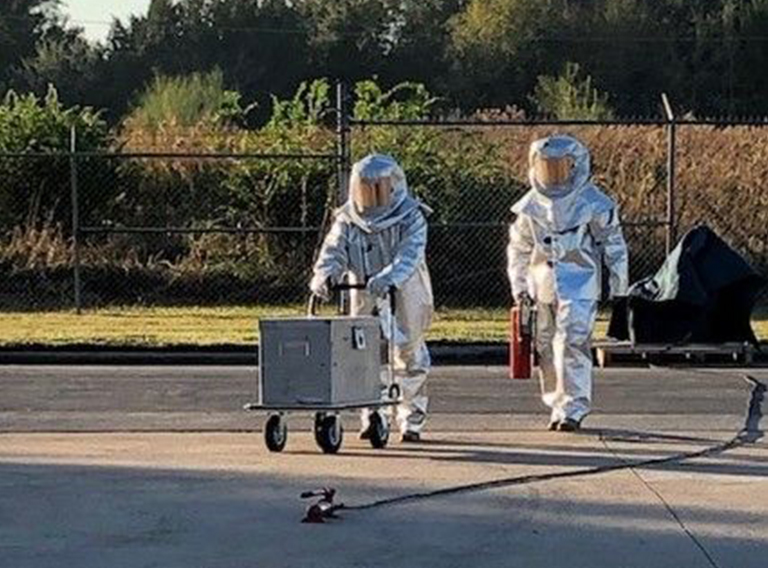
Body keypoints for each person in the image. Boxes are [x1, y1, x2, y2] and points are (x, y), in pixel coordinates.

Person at [507, 135, 629, 432]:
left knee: (573, 341)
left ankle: (574, 408)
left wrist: (620, 289)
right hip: (542, 284)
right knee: (546, 345)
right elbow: (519, 247)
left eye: (560, 167)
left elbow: (613, 244)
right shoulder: (530, 206)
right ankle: (556, 405)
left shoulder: (593, 202)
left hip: (581, 283)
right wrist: (519, 286)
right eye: (547, 166)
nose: (553, 173)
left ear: (575, 166)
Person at [310, 153, 433, 442]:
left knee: (408, 352)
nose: (372, 197)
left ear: (394, 187)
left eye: (378, 189)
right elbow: (333, 250)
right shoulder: (348, 219)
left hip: (406, 292)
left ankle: (410, 419)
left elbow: (410, 255)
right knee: (363, 353)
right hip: (362, 292)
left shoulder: (411, 216)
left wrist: (389, 277)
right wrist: (324, 276)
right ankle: (372, 414)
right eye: (365, 189)